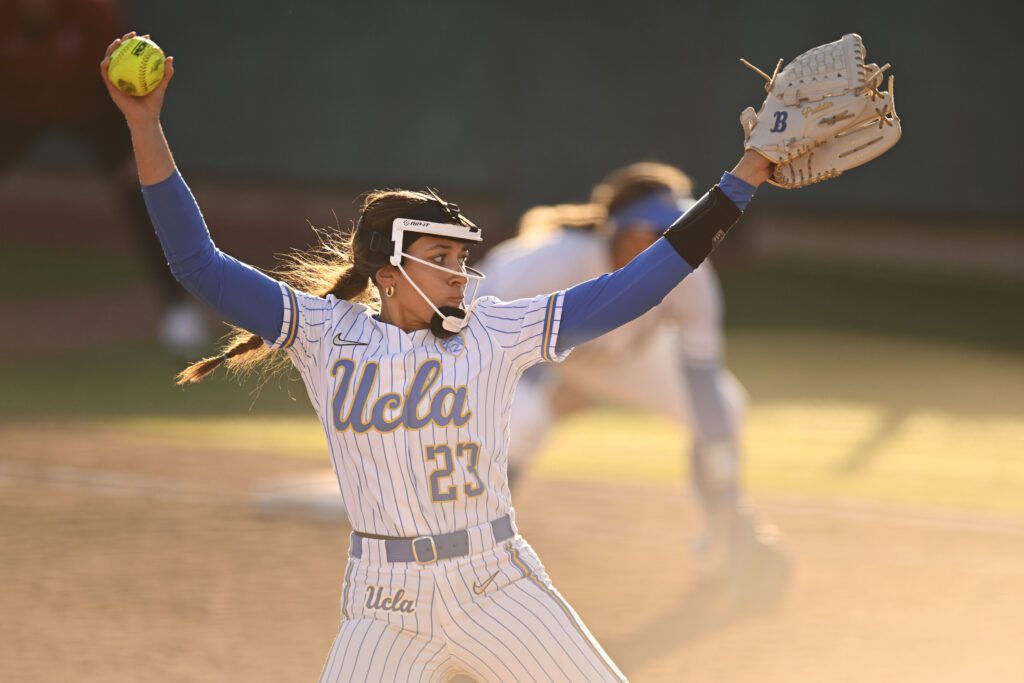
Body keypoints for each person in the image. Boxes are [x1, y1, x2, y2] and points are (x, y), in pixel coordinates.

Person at [101, 30, 774, 682]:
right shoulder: (322, 332)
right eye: (441, 258)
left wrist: (742, 178)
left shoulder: (497, 329)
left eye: (461, 257)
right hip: (384, 606)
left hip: (496, 586)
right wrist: (144, 126)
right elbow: (197, 263)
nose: (460, 272)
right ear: (389, 271)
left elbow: (633, 288)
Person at [477, 162, 789, 591]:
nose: (673, 244)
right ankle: (474, 542)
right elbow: (486, 343)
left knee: (727, 406)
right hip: (506, 350)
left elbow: (703, 382)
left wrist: (727, 493)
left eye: (677, 231)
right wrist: (546, 390)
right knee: (526, 420)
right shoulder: (549, 261)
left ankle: (725, 529)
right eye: (657, 233)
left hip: (618, 357)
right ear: (619, 231)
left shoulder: (690, 272)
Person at [0, 1, 207, 356]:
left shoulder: (92, 12)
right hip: (16, 109)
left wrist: (128, 148)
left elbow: (116, 85)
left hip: (91, 109)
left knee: (141, 193)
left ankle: (178, 311)